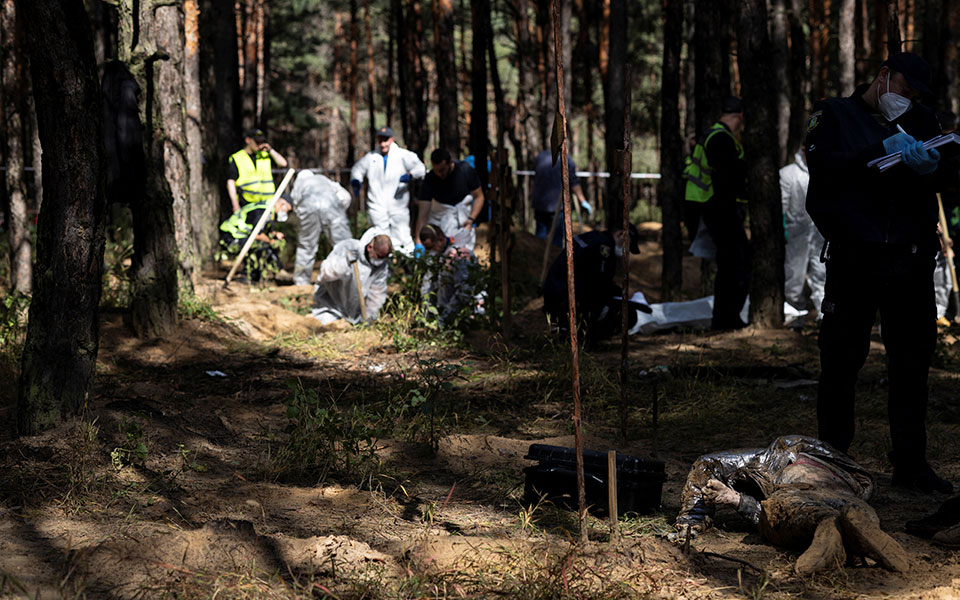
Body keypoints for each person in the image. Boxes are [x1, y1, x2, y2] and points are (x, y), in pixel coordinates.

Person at [804, 52, 957, 493]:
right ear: (884, 76)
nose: (905, 102)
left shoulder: (924, 119)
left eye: (914, 98)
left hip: (909, 260)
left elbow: (950, 171)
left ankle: (911, 462)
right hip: (854, 259)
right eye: (903, 92)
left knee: (912, 363)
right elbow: (825, 168)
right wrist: (877, 150)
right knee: (841, 360)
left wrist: (936, 168)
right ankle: (834, 461)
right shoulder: (833, 114)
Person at [675, 436, 909, 575]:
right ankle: (858, 526)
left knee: (794, 511)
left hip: (796, 487)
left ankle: (827, 528)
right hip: (844, 484)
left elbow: (706, 463)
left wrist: (693, 519)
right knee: (849, 508)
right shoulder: (830, 458)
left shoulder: (763, 459)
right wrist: (735, 499)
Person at [683, 97, 750, 329]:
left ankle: (726, 318)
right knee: (735, 265)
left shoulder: (712, 135)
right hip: (720, 209)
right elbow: (728, 176)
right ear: (739, 116)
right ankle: (726, 319)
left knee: (732, 264)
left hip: (714, 208)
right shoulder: (721, 138)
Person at [541, 225, 649, 345]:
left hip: (559, 296)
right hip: (567, 300)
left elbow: (593, 279)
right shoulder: (604, 247)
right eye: (627, 246)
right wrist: (621, 292)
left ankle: (574, 331)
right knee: (628, 314)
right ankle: (581, 336)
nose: (626, 251)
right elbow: (598, 285)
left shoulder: (594, 238)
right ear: (620, 235)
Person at [350, 126, 426, 254]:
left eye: (385, 140)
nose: (383, 143)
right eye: (380, 140)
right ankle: (387, 267)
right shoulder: (371, 157)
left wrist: (410, 175)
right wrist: (356, 180)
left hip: (398, 205)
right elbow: (357, 169)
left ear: (391, 139)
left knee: (402, 236)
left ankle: (407, 264)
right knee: (381, 237)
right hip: (377, 205)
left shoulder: (403, 155)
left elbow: (421, 168)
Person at [311, 228, 392, 325]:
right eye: (379, 256)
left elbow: (377, 294)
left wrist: (370, 318)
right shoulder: (347, 247)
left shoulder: (381, 267)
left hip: (354, 314)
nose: (381, 260)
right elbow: (325, 273)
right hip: (329, 307)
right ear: (370, 247)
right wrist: (345, 262)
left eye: (384, 257)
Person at [780, 148, 826, 317]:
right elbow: (782, 206)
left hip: (820, 235)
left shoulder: (825, 172)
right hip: (795, 234)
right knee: (794, 277)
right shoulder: (788, 174)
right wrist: (783, 228)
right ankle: (794, 317)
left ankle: (824, 317)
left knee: (822, 275)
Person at [289, 169, 353, 286]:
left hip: (309, 211)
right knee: (344, 244)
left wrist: (303, 222)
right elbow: (346, 197)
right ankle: (350, 276)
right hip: (332, 208)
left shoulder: (299, 184)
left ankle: (301, 281)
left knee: (306, 246)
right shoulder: (325, 181)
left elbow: (296, 203)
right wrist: (339, 213)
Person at [414, 148, 485, 253]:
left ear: (450, 163)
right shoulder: (429, 179)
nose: (439, 174)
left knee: (462, 254)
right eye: (436, 170)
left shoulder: (465, 170)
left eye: (442, 170)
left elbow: (479, 197)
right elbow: (423, 214)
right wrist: (418, 241)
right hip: (439, 221)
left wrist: (471, 219)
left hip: (463, 220)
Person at [219, 198, 292, 282]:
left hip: (241, 236)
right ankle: (247, 275)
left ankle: (276, 272)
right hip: (230, 236)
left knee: (265, 245)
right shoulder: (264, 210)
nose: (286, 213)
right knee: (260, 246)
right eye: (287, 210)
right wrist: (270, 241)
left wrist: (274, 235)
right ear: (282, 204)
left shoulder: (270, 210)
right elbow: (257, 234)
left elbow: (262, 230)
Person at [418, 224, 480, 324]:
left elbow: (465, 291)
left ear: (440, 240)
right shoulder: (437, 256)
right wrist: (427, 313)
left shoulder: (460, 255)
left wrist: (446, 318)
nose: (431, 251)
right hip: (445, 310)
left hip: (466, 311)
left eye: (431, 247)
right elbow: (427, 285)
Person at [531, 149, 593, 247]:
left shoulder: (541, 155)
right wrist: (583, 201)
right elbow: (574, 183)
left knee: (540, 236)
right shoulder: (566, 159)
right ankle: (554, 259)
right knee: (556, 239)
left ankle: (539, 258)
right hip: (556, 205)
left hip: (540, 203)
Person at [227, 128, 288, 214]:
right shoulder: (237, 158)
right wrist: (235, 205)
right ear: (248, 140)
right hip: (248, 204)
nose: (259, 144)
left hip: (268, 205)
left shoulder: (265, 155)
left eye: (261, 141)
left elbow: (283, 163)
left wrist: (270, 150)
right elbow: (231, 182)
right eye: (257, 142)